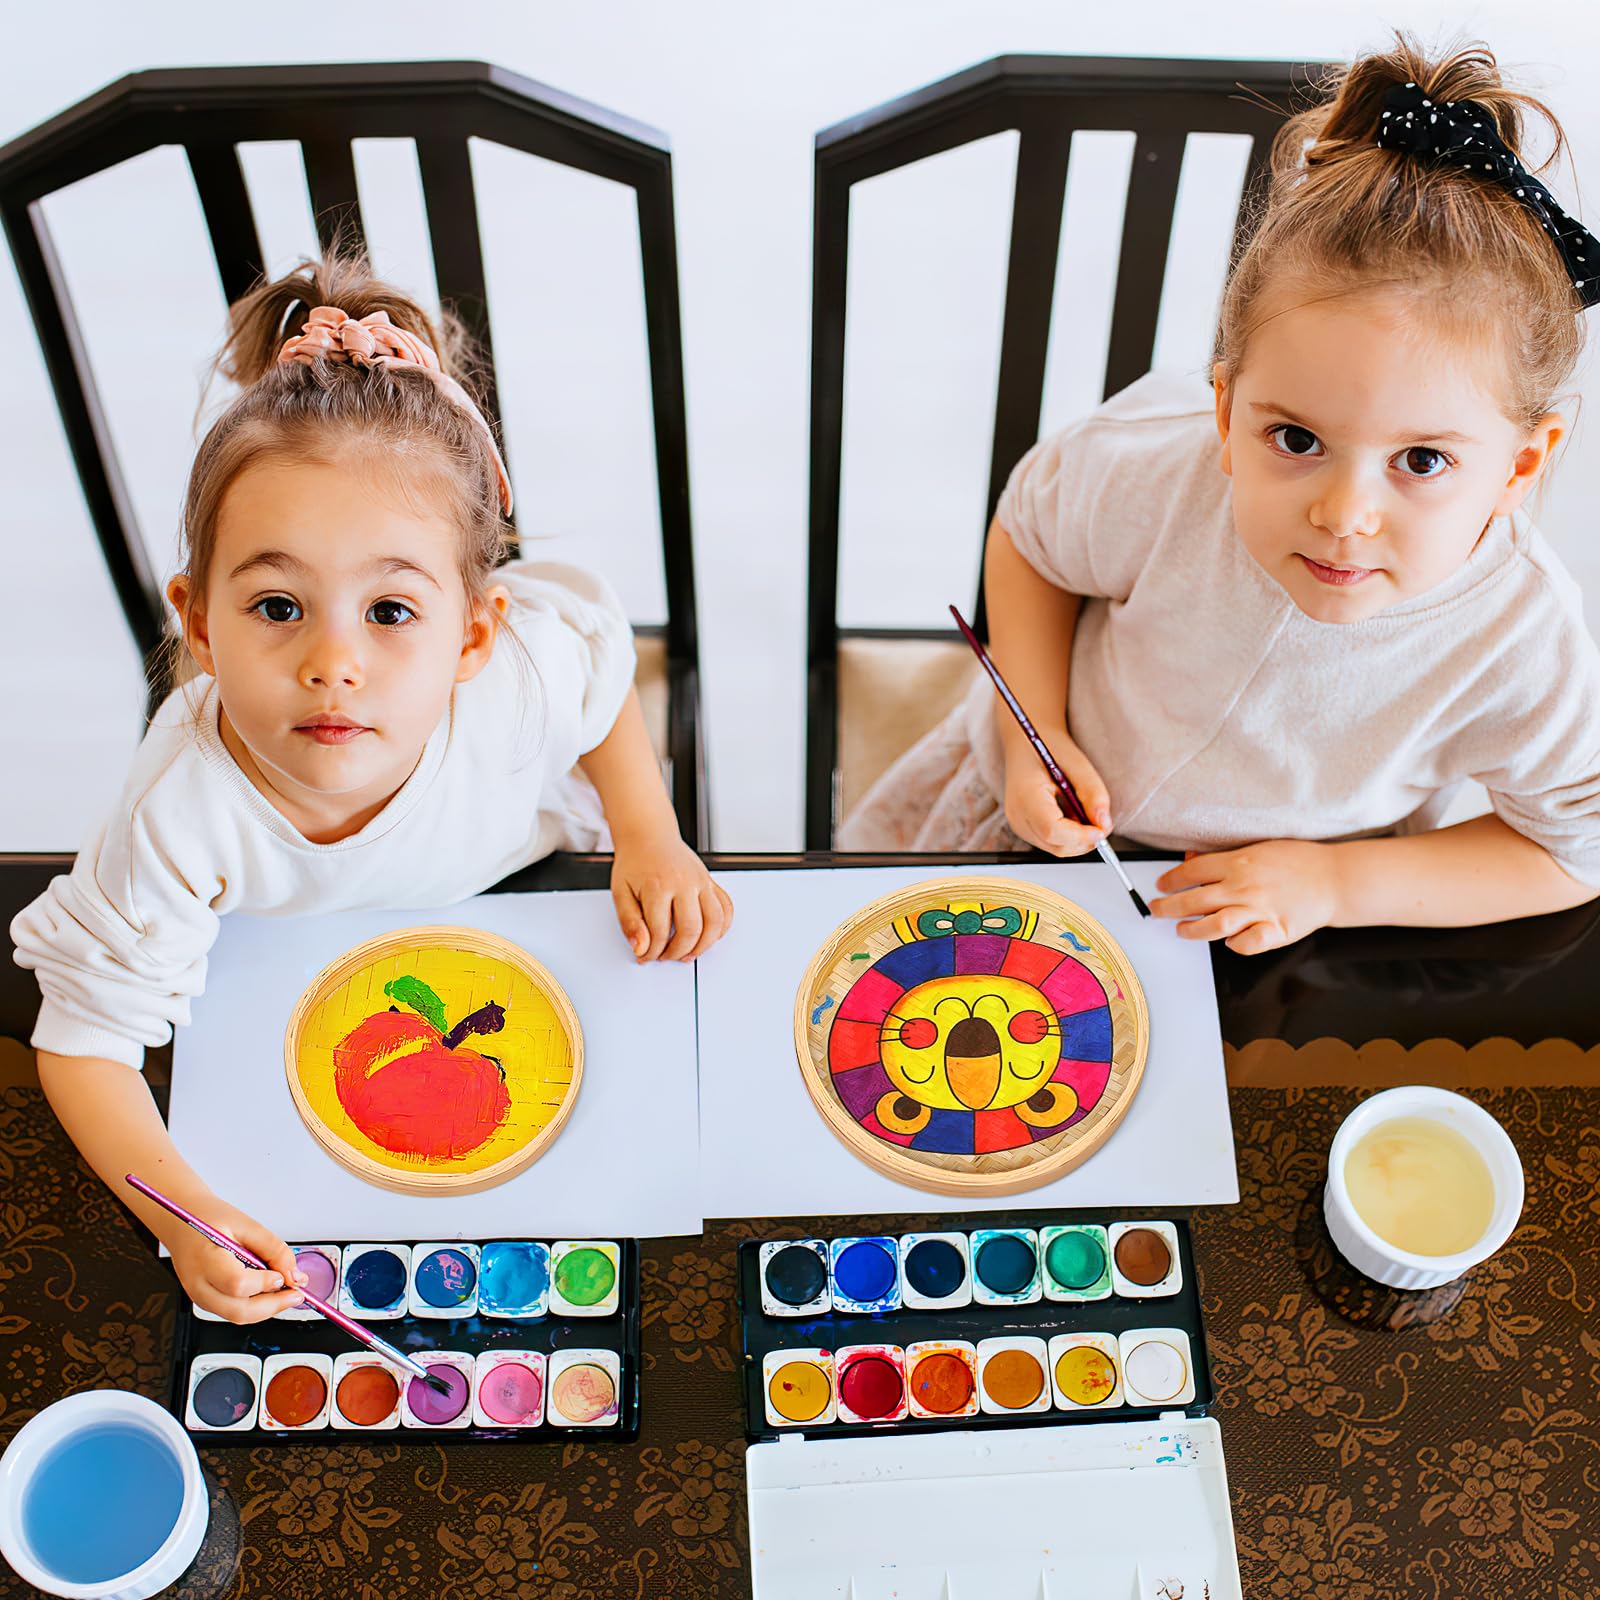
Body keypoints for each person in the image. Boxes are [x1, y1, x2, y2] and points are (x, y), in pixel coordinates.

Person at [11, 254, 732, 1320]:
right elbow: (81, 1047)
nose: (331, 663)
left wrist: (647, 831)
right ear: (199, 622)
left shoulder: (521, 676)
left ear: (474, 634)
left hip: (532, 895)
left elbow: (602, 686)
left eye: (390, 612)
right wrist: (185, 1216)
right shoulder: (176, 811)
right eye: (276, 606)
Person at [841, 37, 1600, 955]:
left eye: (1424, 462)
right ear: (1228, 405)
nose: (1344, 514)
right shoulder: (1155, 469)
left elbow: (1575, 851)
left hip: (1294, 916)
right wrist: (1029, 727)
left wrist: (1332, 882)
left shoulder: (1523, 641)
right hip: (1040, 820)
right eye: (1296, 439)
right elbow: (1033, 541)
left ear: (1522, 466)